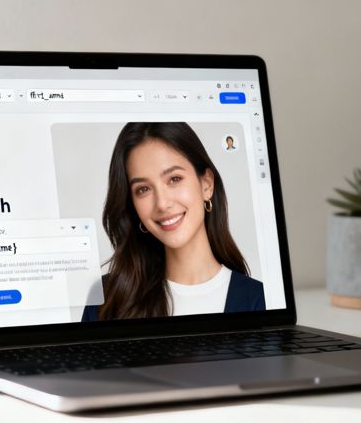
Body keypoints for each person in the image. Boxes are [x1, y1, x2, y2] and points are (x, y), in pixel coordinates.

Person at [82, 122, 264, 321]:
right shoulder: (106, 299)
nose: (162, 203)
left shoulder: (258, 300)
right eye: (143, 189)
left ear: (206, 185)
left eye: (174, 179)